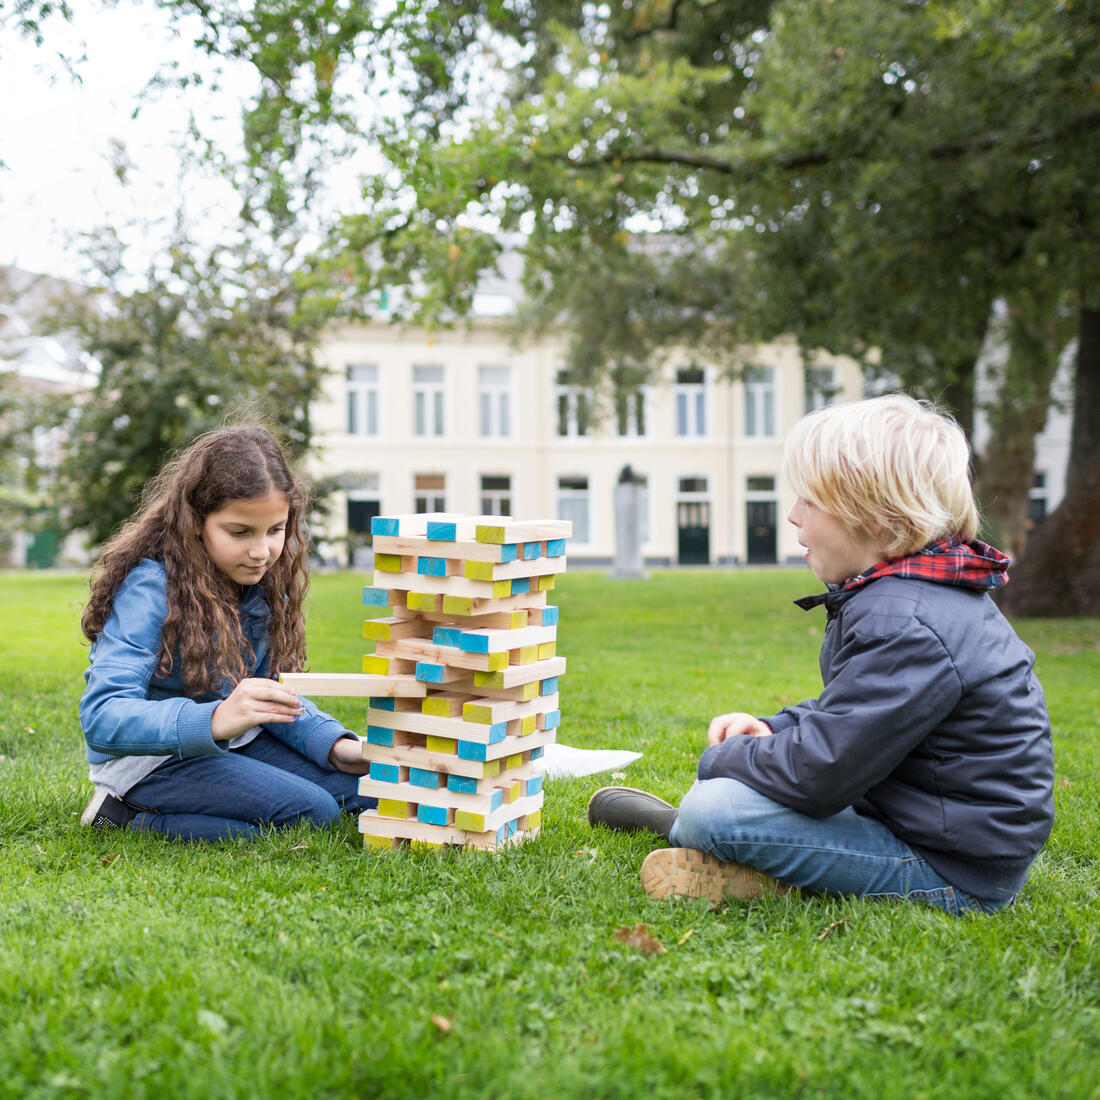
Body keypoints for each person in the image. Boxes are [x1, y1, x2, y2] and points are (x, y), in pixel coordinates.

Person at [588, 394, 1054, 916]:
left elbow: (820, 773)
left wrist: (721, 761)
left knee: (714, 808)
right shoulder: (912, 599)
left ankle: (695, 834)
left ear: (875, 518)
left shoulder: (908, 621)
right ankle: (716, 838)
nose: (790, 516)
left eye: (808, 502)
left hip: (952, 869)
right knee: (734, 795)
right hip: (920, 818)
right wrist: (774, 728)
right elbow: (857, 713)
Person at [78, 423, 375, 841]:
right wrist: (216, 718)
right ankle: (121, 815)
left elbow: (267, 693)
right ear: (196, 521)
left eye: (275, 530)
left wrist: (335, 746)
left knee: (369, 792)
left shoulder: (263, 582)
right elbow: (102, 716)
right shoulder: (150, 587)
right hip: (152, 759)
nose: (262, 552)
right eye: (240, 532)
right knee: (313, 812)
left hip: (236, 739)